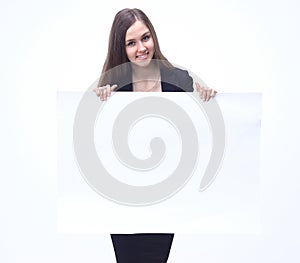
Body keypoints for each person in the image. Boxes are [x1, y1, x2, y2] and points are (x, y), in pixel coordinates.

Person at [93, 8, 216, 263]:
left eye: (145, 38)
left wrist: (205, 99)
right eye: (131, 43)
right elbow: (98, 144)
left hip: (164, 198)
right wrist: (99, 103)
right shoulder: (114, 86)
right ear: (121, 48)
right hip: (123, 202)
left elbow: (196, 131)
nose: (141, 48)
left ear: (154, 38)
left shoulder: (178, 80)